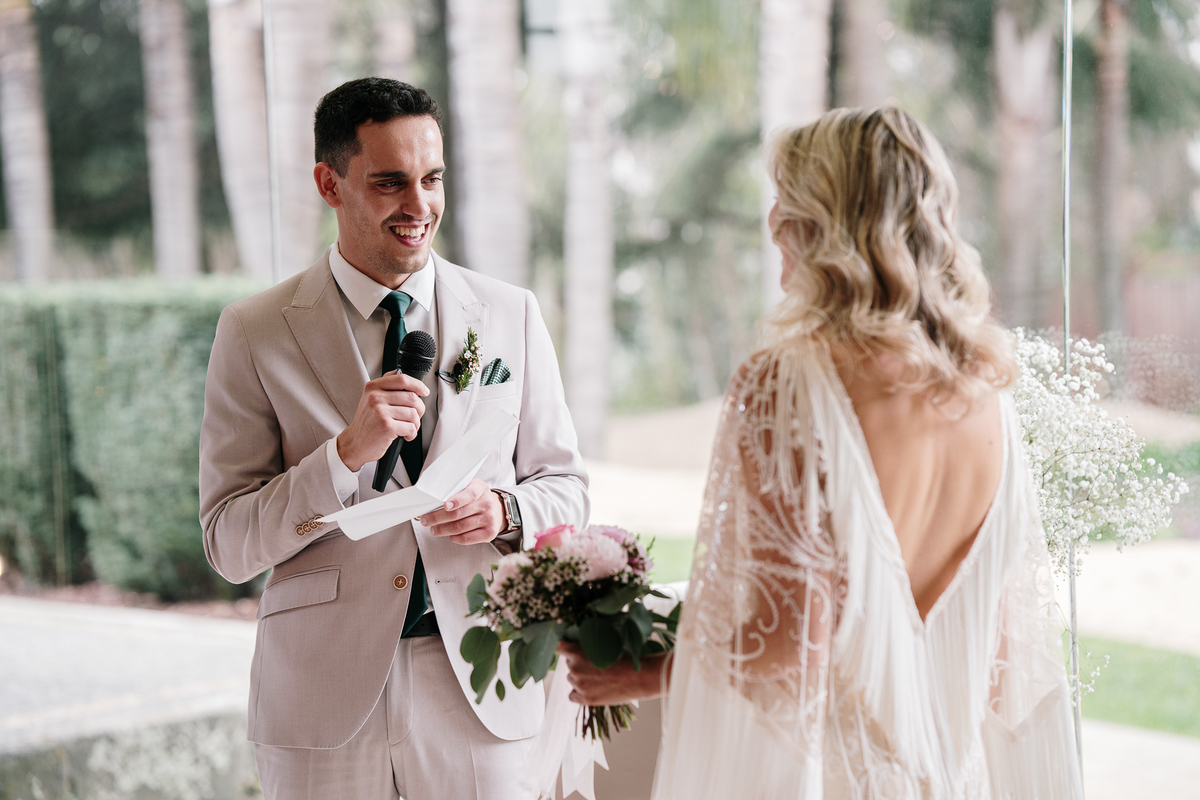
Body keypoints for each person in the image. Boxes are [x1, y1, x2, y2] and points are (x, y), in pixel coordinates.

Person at [559, 107, 1084, 798]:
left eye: (788, 198)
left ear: (829, 220)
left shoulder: (786, 385)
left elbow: (791, 640)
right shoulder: (988, 395)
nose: (773, 219)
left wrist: (645, 674)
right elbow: (1003, 662)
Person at [199, 78, 588, 800]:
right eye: (389, 183)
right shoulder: (254, 332)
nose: (419, 206)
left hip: (480, 681)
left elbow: (567, 489)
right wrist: (343, 455)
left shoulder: (509, 313)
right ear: (330, 184)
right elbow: (228, 542)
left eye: (432, 179)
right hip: (320, 695)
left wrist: (504, 512)